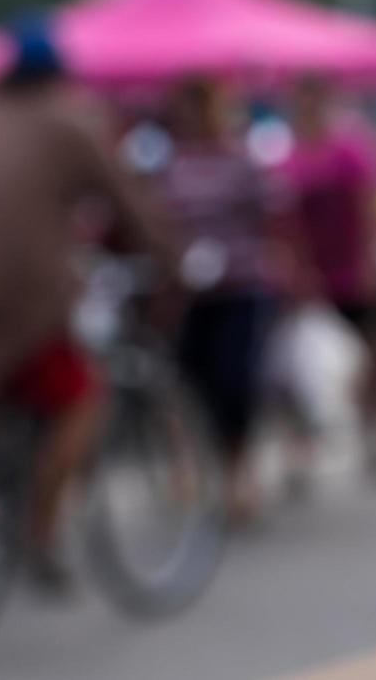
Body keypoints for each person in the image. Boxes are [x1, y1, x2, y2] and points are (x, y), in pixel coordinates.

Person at [0, 23, 164, 592]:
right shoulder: (68, 126)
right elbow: (128, 203)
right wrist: (168, 257)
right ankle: (40, 529)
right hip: (23, 294)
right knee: (83, 399)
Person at [159, 78, 277, 523]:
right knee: (188, 381)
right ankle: (188, 467)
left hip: (240, 287)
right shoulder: (173, 165)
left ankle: (238, 473)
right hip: (190, 292)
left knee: (234, 384)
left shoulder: (241, 160)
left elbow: (267, 217)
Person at [280, 75, 376, 484]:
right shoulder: (288, 155)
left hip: (350, 271)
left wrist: (370, 262)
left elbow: (369, 210)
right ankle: (301, 446)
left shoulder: (350, 149)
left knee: (368, 356)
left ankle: (375, 433)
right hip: (309, 277)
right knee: (296, 365)